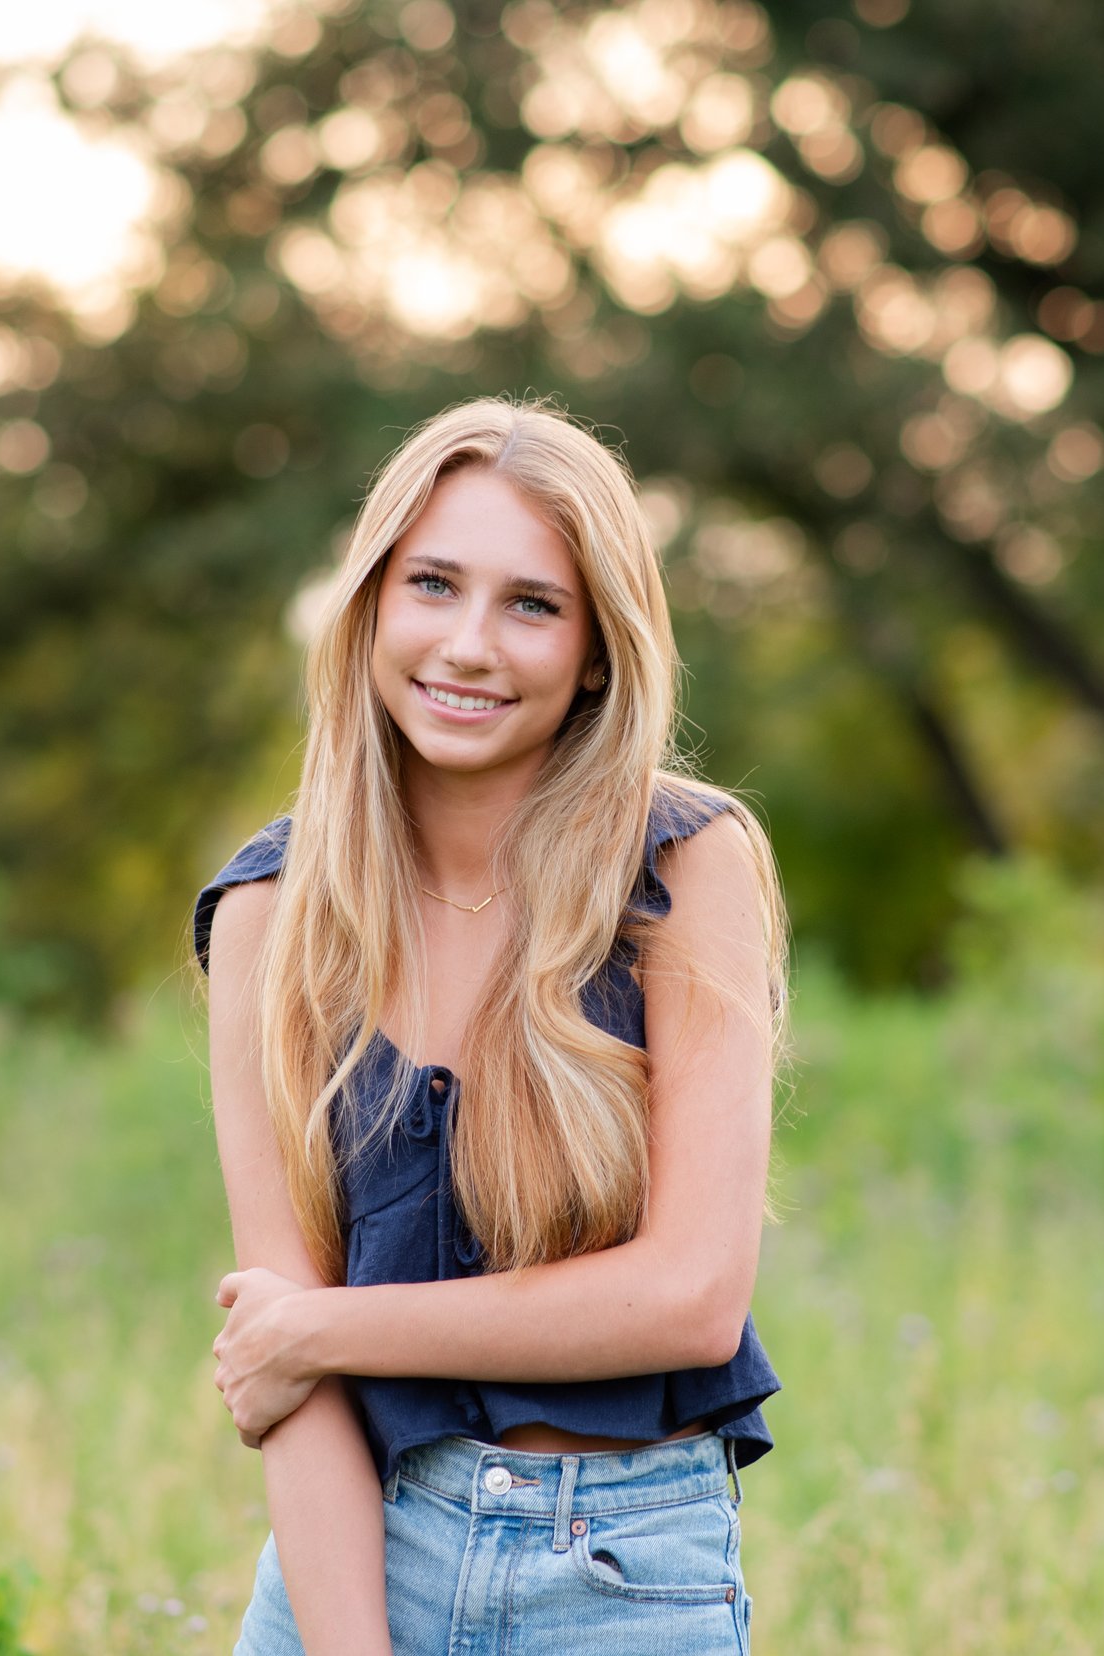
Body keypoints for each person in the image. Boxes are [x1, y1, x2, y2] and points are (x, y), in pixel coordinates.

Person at [192, 396, 788, 1654]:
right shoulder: (270, 914)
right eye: (432, 585)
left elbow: (690, 1297)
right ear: (367, 611)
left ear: (594, 652)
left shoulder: (687, 868)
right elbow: (292, 1393)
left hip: (621, 1575)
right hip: (347, 1567)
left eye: (531, 604)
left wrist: (326, 1328)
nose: (468, 644)